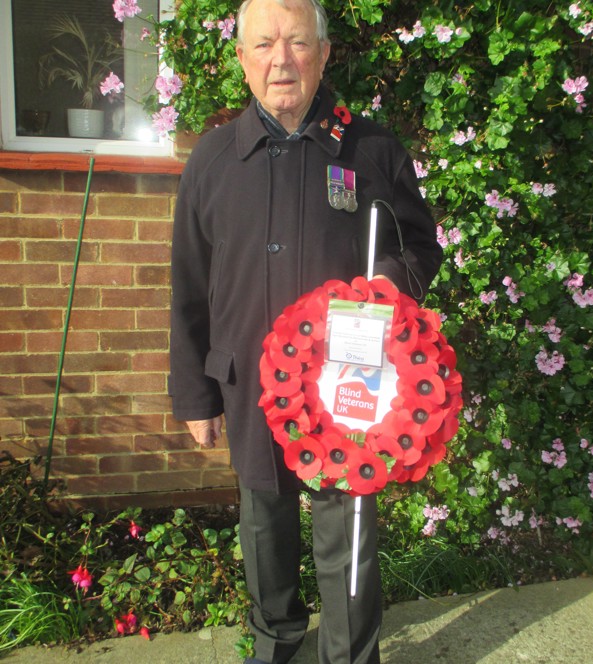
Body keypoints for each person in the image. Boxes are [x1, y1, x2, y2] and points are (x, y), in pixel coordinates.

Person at [168, 0, 442, 662]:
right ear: (242, 60)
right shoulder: (211, 160)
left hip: (345, 394)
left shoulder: (371, 150)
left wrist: (384, 289)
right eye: (263, 45)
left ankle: (349, 656)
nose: (280, 59)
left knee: (345, 538)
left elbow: (420, 249)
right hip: (249, 390)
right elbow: (189, 285)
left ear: (323, 55)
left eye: (296, 44)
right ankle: (276, 648)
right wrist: (195, 397)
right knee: (264, 533)